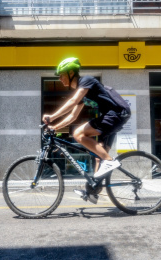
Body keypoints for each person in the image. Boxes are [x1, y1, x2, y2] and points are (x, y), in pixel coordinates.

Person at [43, 57, 131, 204]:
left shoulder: (87, 81)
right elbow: (73, 115)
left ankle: (110, 161)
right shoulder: (83, 90)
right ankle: (93, 191)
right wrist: (56, 126)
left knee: (78, 133)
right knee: (99, 157)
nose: (60, 79)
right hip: (112, 117)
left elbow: (72, 102)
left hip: (115, 115)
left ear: (71, 73)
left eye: (61, 75)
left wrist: (52, 117)